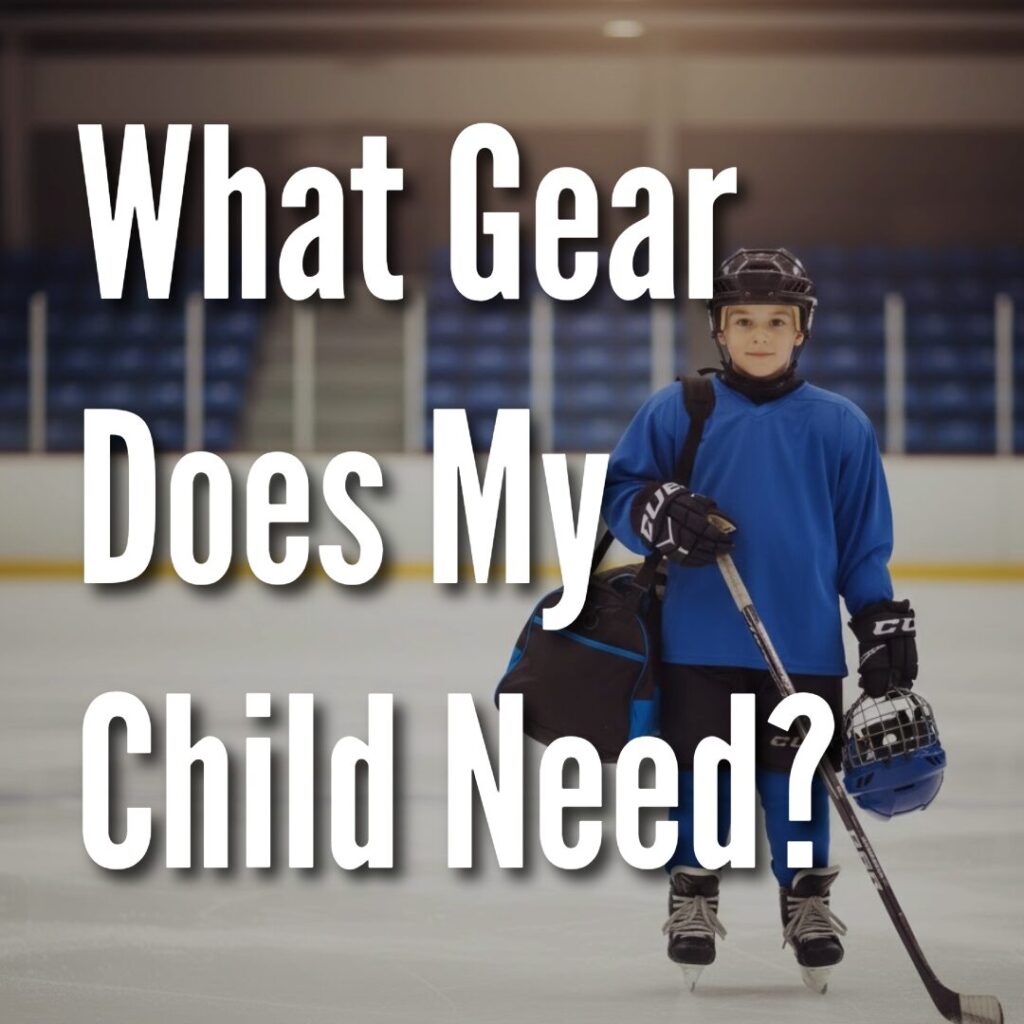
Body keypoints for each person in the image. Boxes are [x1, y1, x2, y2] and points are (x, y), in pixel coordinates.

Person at [601, 248, 918, 992]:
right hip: (697, 641)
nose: (760, 334)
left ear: (802, 330)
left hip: (804, 643)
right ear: (718, 328)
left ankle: (806, 902)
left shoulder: (840, 425)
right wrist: (656, 510)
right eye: (742, 320)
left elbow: (862, 539)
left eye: (777, 321)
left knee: (797, 781)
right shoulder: (677, 408)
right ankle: (694, 895)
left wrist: (876, 618)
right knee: (702, 776)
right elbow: (620, 492)